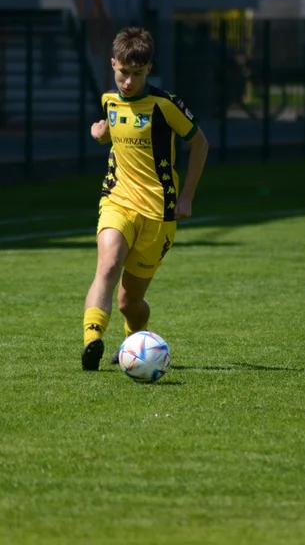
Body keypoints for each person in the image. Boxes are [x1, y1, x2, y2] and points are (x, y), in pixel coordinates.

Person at [81, 27, 210, 371]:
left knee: (129, 301)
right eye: (123, 73)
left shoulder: (164, 105)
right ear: (113, 64)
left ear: (148, 69)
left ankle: (134, 340)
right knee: (107, 266)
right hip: (117, 200)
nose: (128, 82)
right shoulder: (109, 100)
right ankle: (92, 339)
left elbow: (200, 144)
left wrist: (186, 197)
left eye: (137, 74)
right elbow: (110, 129)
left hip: (158, 213)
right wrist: (100, 134)